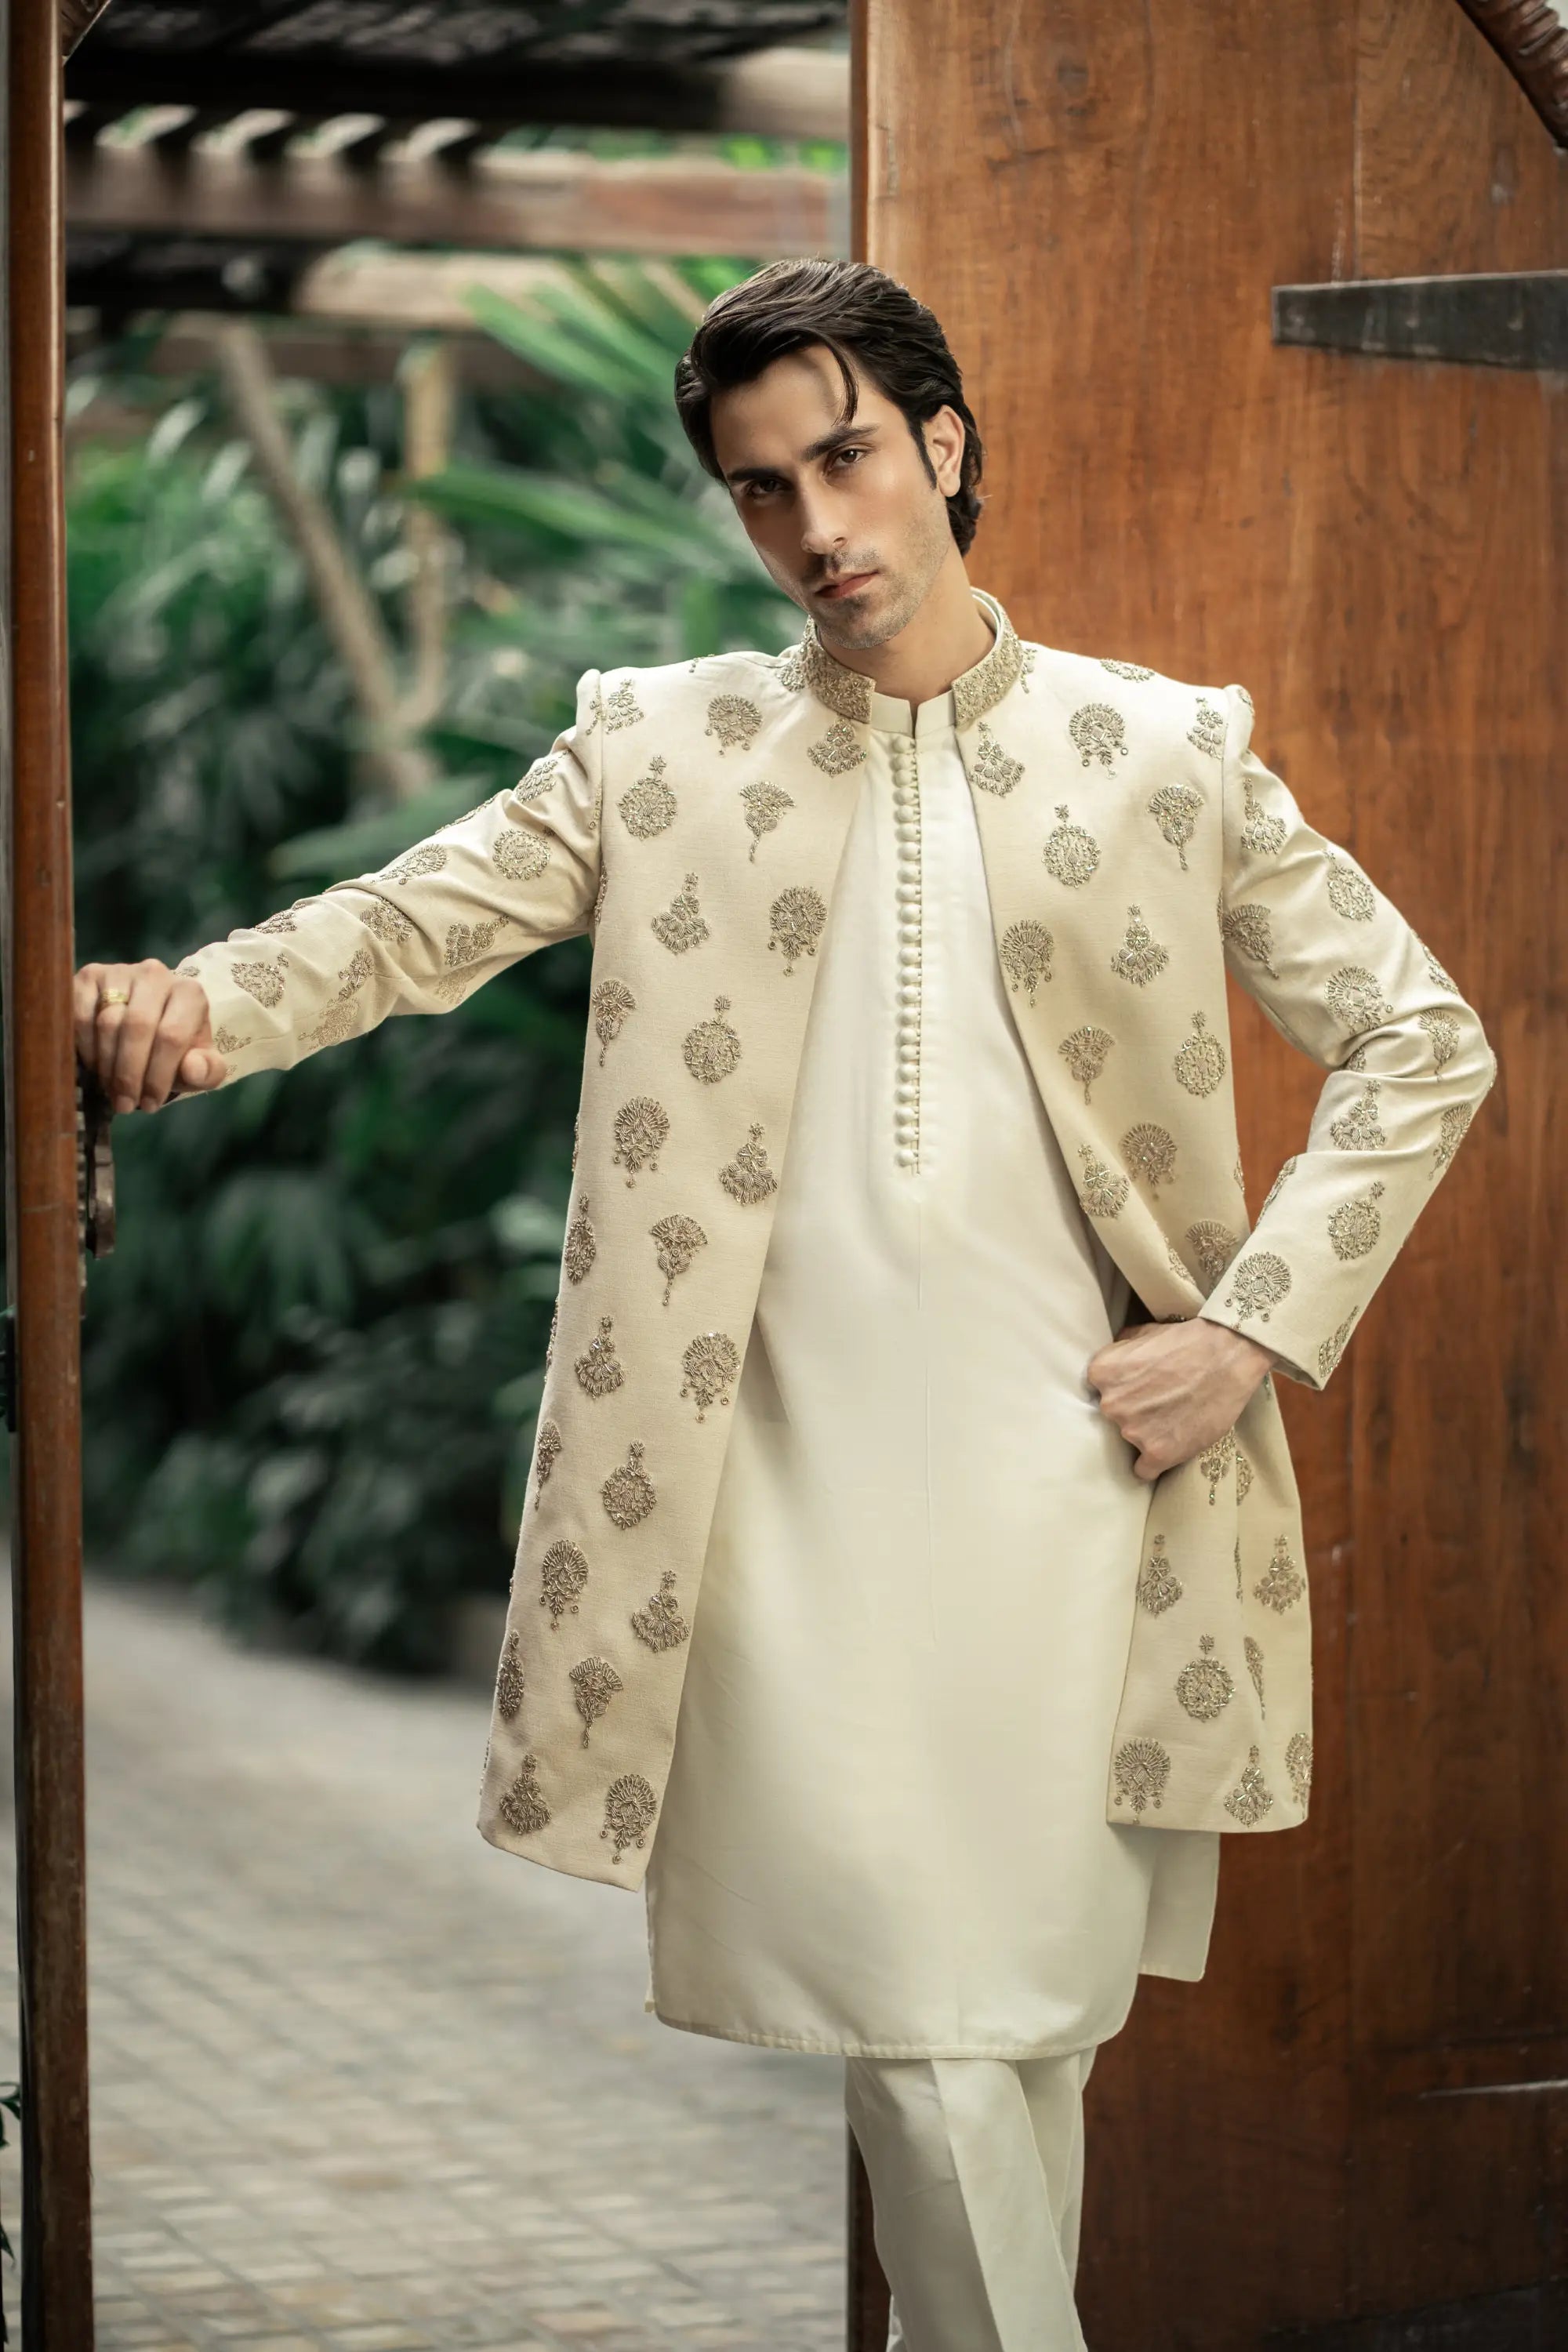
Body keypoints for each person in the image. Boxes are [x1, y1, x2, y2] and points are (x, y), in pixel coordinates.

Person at [75, 258, 1497, 2351]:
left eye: (843, 456)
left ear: (942, 443)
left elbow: (1422, 1038)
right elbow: (411, 924)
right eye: (763, 490)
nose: (817, 524)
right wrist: (192, 1004)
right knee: (927, 2035)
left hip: (1076, 1504)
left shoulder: (1162, 754)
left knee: (1015, 2046)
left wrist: (1255, 1324)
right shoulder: (657, 751)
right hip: (775, 1512)